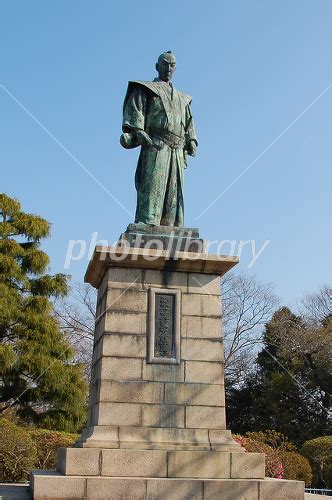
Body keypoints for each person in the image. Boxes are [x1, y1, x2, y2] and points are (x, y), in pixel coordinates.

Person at [121, 51, 198, 227]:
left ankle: (171, 226)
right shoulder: (146, 88)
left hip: (177, 149)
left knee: (174, 192)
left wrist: (191, 140)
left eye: (172, 65)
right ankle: (148, 223)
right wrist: (138, 130)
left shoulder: (182, 98)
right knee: (152, 187)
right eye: (165, 64)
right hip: (155, 144)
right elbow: (135, 110)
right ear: (157, 66)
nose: (168, 68)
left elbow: (189, 121)